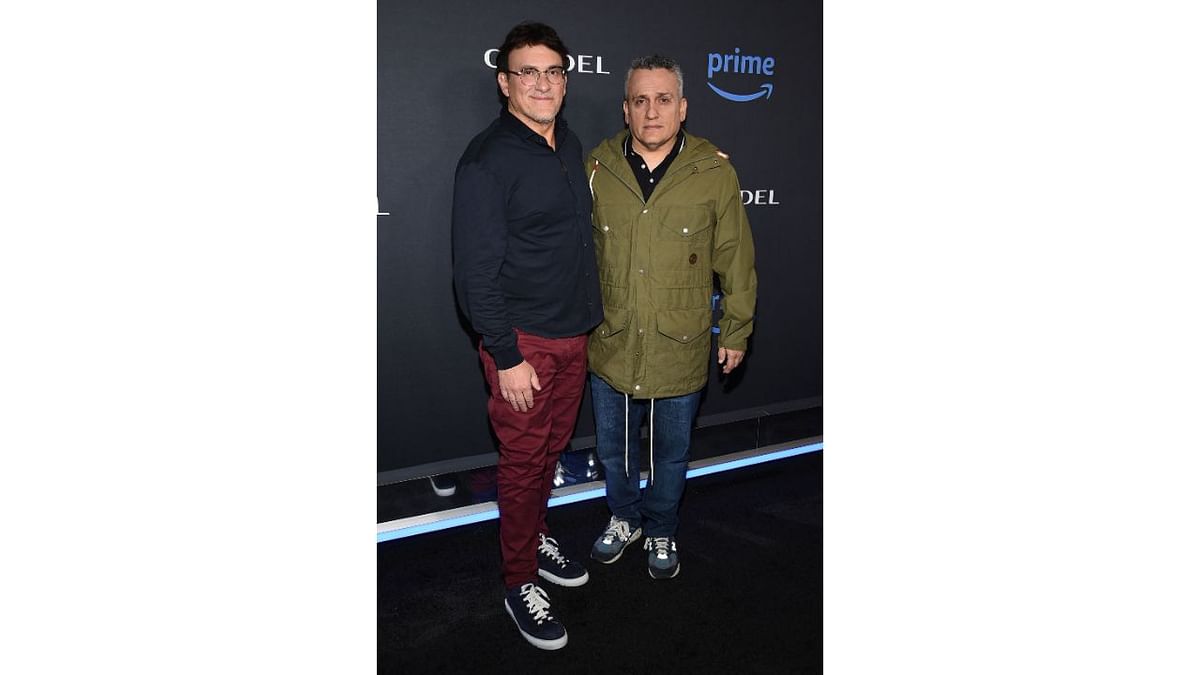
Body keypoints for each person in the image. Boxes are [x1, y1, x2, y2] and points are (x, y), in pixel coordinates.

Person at [451, 21, 602, 650]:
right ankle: (518, 582)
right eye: (527, 72)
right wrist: (506, 356)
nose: (542, 83)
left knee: (548, 453)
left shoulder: (567, 143)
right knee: (520, 462)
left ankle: (534, 531)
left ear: (565, 80)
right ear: (504, 81)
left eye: (552, 71)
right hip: (524, 346)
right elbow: (474, 273)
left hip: (573, 337)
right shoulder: (488, 159)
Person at [585, 55, 757, 580]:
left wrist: (737, 327)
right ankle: (623, 517)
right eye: (641, 100)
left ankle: (660, 525)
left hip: (677, 342)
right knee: (614, 452)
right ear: (626, 109)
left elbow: (735, 255)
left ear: (682, 108)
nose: (651, 111)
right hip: (611, 340)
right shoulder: (597, 169)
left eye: (663, 100)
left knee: (670, 454)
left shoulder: (714, 172)